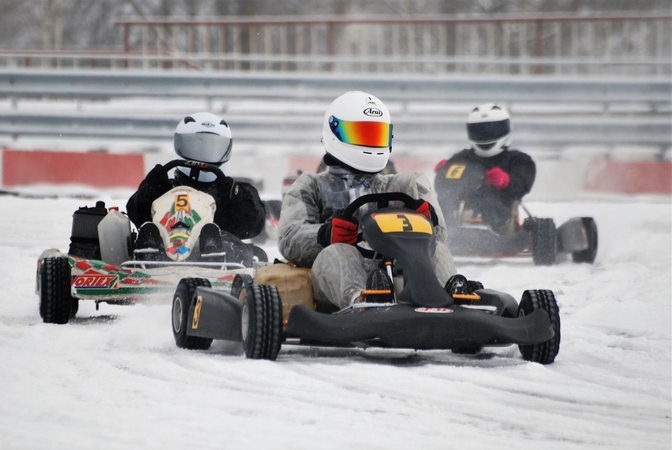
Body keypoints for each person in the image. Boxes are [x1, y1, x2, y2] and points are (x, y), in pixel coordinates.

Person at [278, 91, 457, 310]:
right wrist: (325, 235)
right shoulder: (311, 185)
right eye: (361, 134)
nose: (369, 143)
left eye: (375, 135)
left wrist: (428, 222)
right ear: (335, 132)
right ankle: (361, 302)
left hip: (402, 272)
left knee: (437, 250)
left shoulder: (406, 185)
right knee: (339, 251)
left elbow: (439, 237)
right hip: (335, 283)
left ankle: (449, 296)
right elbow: (289, 239)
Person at [126, 112, 266, 261]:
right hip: (165, 252)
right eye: (195, 146)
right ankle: (150, 258)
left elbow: (255, 224)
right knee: (150, 232)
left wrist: (236, 197)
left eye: (212, 148)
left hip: (221, 261)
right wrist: (152, 189)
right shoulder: (163, 189)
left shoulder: (231, 192)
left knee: (222, 239)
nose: (202, 157)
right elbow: (137, 215)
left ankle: (213, 253)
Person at [434, 103, 536, 233]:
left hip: (502, 220)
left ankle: (492, 233)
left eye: (492, 130)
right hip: (457, 216)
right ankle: (437, 230)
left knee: (483, 200)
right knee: (443, 201)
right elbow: (443, 189)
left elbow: (522, 184)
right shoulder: (463, 158)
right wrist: (445, 172)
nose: (486, 134)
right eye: (480, 130)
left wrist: (506, 181)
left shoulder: (518, 160)